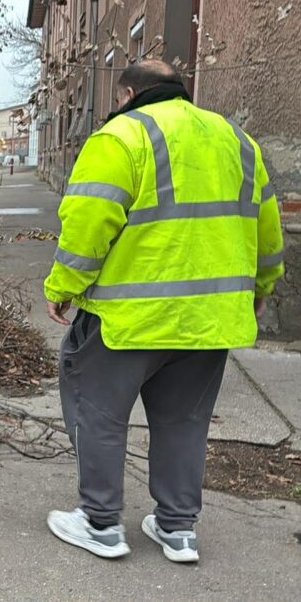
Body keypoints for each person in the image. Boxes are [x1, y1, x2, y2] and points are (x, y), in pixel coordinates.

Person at [44, 60, 285, 563]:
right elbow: (267, 224)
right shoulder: (236, 140)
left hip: (129, 320)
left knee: (99, 412)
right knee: (185, 420)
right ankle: (177, 530)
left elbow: (89, 219)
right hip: (209, 321)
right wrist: (261, 287)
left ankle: (100, 522)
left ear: (128, 92)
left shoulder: (122, 136)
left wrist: (64, 285)